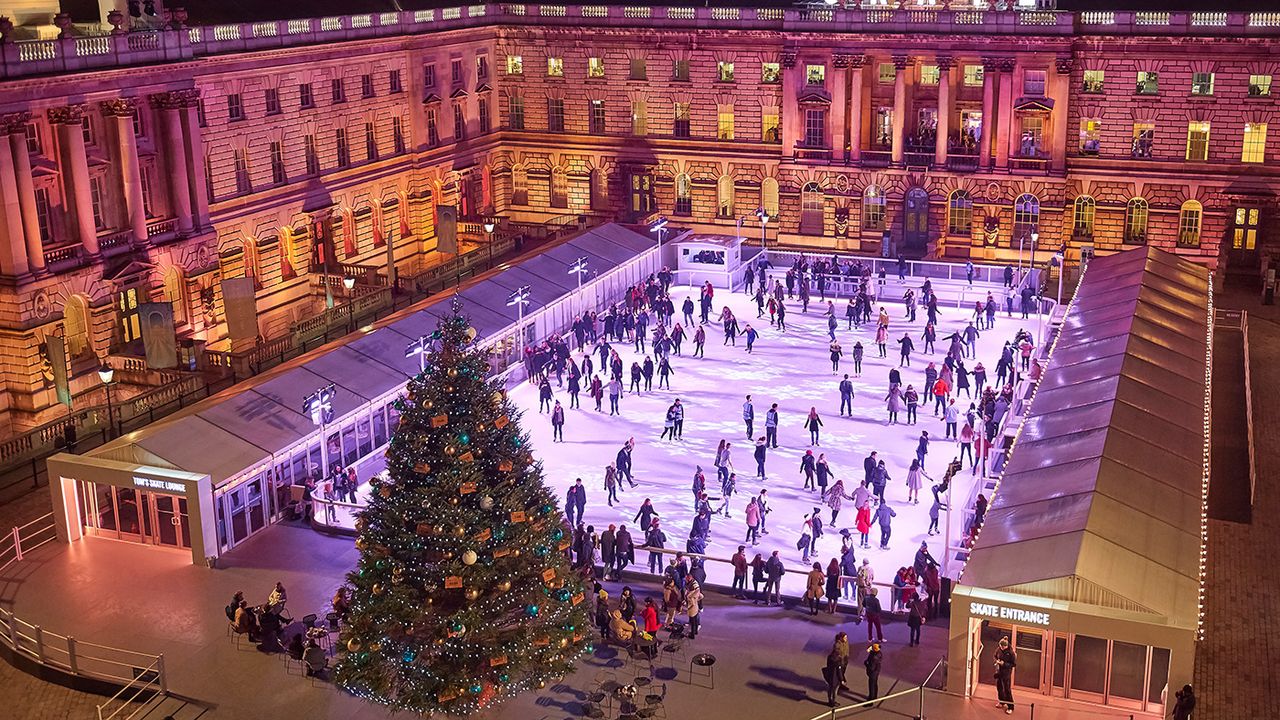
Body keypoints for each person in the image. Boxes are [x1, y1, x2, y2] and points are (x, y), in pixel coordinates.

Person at [994, 636, 1017, 713]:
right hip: (999, 671)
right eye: (1000, 646)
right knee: (999, 687)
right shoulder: (999, 649)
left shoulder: (1011, 653)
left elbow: (1013, 664)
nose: (1001, 648)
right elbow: (995, 655)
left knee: (1007, 689)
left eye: (1002, 647)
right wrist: (997, 661)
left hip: (1006, 673)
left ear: (1006, 646)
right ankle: (1002, 702)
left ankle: (1010, 707)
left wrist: (1004, 664)